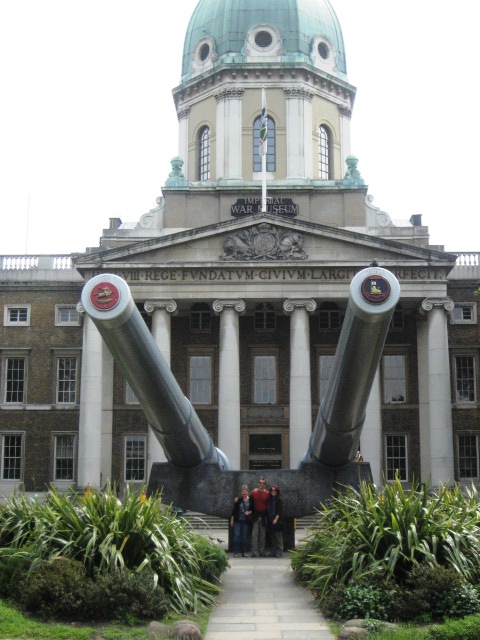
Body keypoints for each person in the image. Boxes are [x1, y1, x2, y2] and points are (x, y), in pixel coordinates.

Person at [230, 485, 253, 557]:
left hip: (245, 521)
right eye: (242, 491)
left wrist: (249, 512)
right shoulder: (238, 500)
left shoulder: (250, 500)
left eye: (245, 490)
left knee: (244, 537)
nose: (243, 492)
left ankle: (244, 552)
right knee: (236, 536)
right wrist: (232, 520)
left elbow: (253, 509)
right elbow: (234, 511)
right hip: (238, 521)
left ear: (247, 491)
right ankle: (236, 552)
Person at [249, 476, 269, 557]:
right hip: (255, 516)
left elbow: (269, 504)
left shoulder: (267, 493)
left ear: (265, 484)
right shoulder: (253, 492)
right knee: (254, 535)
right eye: (260, 483)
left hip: (264, 516)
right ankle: (254, 552)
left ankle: (262, 551)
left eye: (263, 483)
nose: (261, 484)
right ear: (258, 484)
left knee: (263, 536)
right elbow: (249, 503)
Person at [267, 485, 284, 557]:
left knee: (278, 537)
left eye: (275, 491)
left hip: (277, 521)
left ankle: (280, 552)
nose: (273, 492)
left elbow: (279, 511)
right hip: (270, 520)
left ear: (277, 492)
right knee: (273, 537)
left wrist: (276, 519)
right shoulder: (270, 500)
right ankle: (274, 551)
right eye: (272, 491)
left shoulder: (279, 500)